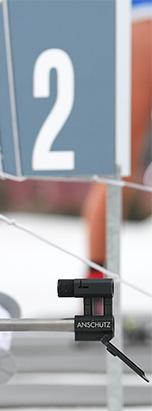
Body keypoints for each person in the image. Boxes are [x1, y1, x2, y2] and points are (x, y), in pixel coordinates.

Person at [81, 3, 151, 276]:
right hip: (138, 19)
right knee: (118, 162)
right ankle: (97, 291)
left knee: (118, 161)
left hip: (133, 22)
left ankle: (96, 294)